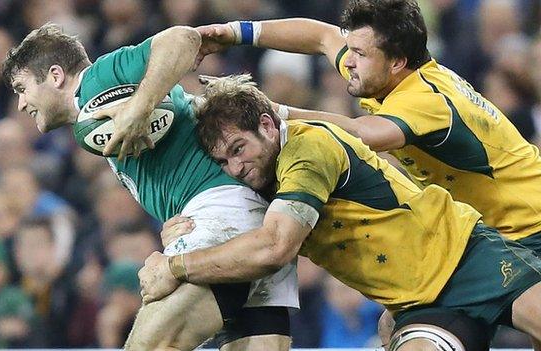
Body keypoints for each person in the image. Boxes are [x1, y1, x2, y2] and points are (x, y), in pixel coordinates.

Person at [194, 1, 541, 345]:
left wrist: (273, 111)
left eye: (359, 53)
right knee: (394, 329)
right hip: (488, 233)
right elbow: (320, 36)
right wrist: (234, 32)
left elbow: (358, 134)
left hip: (531, 224)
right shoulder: (386, 71)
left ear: (397, 62)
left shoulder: (424, 100)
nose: (348, 60)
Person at [138, 74, 541, 351]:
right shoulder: (262, 184)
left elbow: (275, 247)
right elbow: (243, 238)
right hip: (420, 306)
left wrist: (176, 266)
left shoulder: (308, 148)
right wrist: (187, 232)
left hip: (472, 260)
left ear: (267, 124)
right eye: (223, 162)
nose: (235, 169)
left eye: (239, 149)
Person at [2, 24, 298, 350]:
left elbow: (184, 38)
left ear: (56, 75)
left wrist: (139, 108)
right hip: (241, 221)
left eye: (21, 88)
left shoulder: (98, 80)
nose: (20, 104)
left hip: (221, 217)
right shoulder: (100, 110)